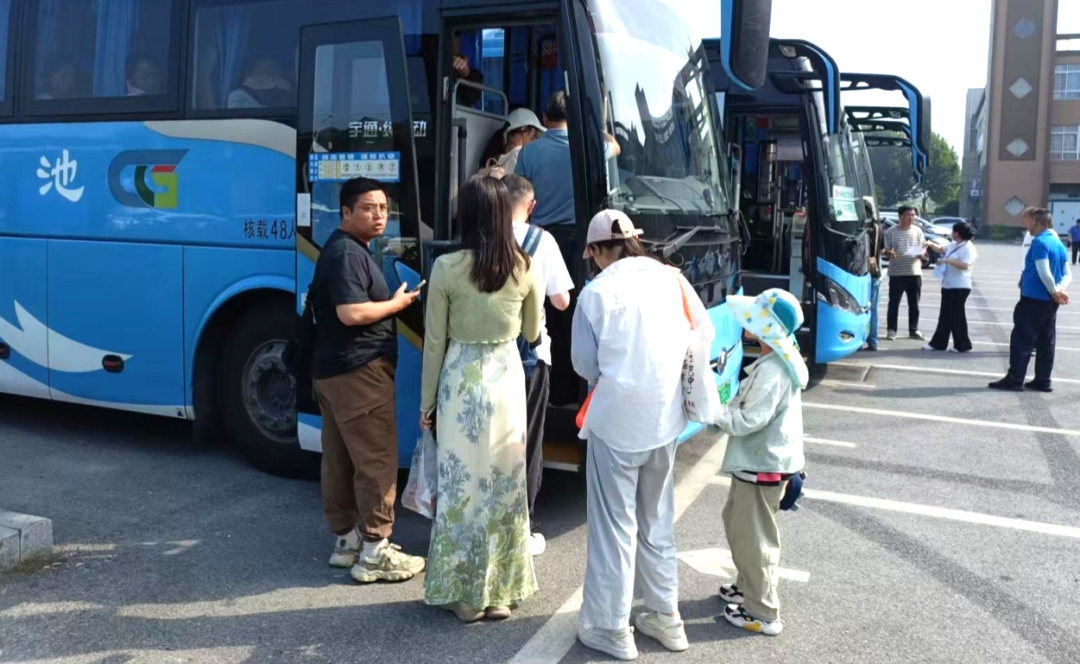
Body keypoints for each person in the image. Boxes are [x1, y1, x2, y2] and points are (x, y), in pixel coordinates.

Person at [572, 210, 713, 660]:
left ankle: (612, 628)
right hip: (665, 419)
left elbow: (584, 365)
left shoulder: (595, 293)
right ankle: (666, 617)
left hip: (615, 423)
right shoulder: (672, 279)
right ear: (635, 240)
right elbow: (703, 332)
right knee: (656, 520)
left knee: (614, 527)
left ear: (598, 250)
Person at [420, 177, 543, 623]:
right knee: (504, 485)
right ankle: (500, 594)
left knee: (462, 487)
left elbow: (435, 342)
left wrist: (426, 404)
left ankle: (466, 595)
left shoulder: (446, 267)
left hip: (461, 379)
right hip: (506, 378)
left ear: (467, 216)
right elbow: (533, 331)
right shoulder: (524, 266)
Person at [310, 178, 425, 583]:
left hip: (334, 371)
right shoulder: (347, 253)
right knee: (376, 459)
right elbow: (351, 313)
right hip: (358, 372)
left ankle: (347, 542)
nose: (379, 215)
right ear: (345, 212)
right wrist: (396, 304)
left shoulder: (347, 249)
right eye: (368, 208)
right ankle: (375, 551)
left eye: (384, 208)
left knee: (340, 458)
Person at [714, 288, 807, 637]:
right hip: (761, 462)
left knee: (755, 537)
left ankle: (763, 611)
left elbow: (750, 419)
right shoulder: (777, 359)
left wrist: (712, 412)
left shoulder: (773, 371)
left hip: (761, 465)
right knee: (739, 525)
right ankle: (748, 586)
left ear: (766, 328)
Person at [503, 174, 574, 556]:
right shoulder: (541, 241)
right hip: (530, 356)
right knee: (527, 440)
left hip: (485, 355)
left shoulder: (481, 237)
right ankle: (522, 526)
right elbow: (561, 301)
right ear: (531, 206)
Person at [990, 208, 1072, 392]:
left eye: (1027, 220)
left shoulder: (1040, 242)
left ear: (1037, 221)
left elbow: (1044, 271)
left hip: (1035, 299)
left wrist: (1053, 291)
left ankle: (1015, 379)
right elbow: (1067, 273)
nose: (1024, 223)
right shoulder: (1058, 242)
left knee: (1022, 340)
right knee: (1046, 341)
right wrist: (1059, 289)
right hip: (1049, 302)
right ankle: (1043, 380)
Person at [515, 91, 621, 227]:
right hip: (578, 233)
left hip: (538, 232)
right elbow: (616, 147)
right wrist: (592, 128)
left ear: (544, 118)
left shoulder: (527, 151)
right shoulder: (587, 149)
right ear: (573, 118)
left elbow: (518, 194)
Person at [924, 222, 978, 353]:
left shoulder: (968, 248)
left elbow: (965, 265)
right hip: (948, 285)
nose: (951, 233)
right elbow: (941, 249)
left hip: (959, 286)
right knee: (946, 316)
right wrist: (929, 244)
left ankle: (962, 345)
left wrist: (948, 261)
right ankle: (940, 343)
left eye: (952, 231)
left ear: (957, 233)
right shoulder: (954, 244)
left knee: (956, 316)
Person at [882, 205, 927, 341]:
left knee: (914, 304)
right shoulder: (890, 232)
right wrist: (889, 252)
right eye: (908, 215)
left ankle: (914, 329)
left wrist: (922, 253)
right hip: (897, 273)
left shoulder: (918, 231)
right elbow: (885, 249)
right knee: (894, 303)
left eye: (913, 215)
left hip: (914, 272)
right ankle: (891, 330)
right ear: (900, 216)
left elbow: (923, 246)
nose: (911, 218)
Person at [483, 109, 546, 175]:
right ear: (523, 128)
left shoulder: (496, 159)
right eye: (535, 132)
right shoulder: (520, 156)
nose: (536, 138)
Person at [862, 215, 884, 352]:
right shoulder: (878, 229)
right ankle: (873, 341)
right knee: (874, 308)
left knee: (859, 308)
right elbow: (881, 250)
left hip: (857, 271)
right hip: (874, 270)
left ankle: (858, 340)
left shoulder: (858, 228)